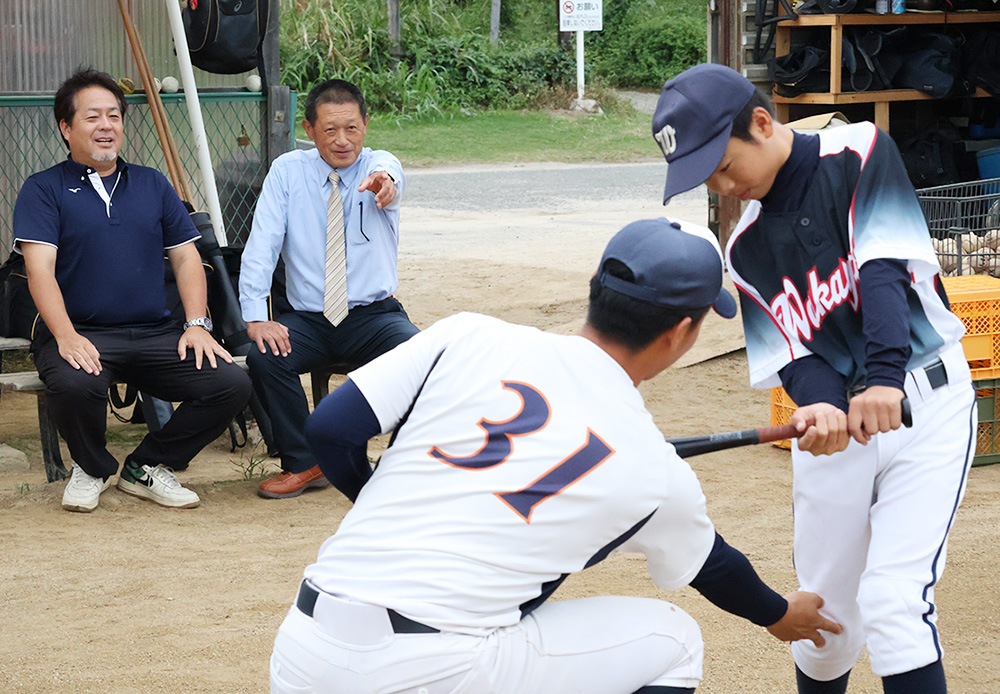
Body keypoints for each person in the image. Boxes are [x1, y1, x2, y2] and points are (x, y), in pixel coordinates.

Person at [269, 217, 842, 694]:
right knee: (674, 640)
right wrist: (778, 615)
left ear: (596, 281)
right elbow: (716, 568)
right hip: (430, 673)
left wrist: (382, 499)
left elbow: (329, 429)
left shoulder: (468, 335)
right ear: (681, 334)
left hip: (300, 652)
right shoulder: (651, 470)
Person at [652, 63, 977, 694]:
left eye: (722, 165)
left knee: (893, 603)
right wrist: (824, 406)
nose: (723, 186)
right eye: (706, 179)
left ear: (762, 122)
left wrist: (882, 379)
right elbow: (793, 357)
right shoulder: (743, 248)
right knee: (824, 620)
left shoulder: (857, 151)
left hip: (926, 403)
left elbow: (881, 271)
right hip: (842, 432)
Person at [12, 68, 252, 513]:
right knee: (72, 382)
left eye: (114, 116)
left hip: (155, 332)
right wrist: (65, 335)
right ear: (66, 128)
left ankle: (149, 465)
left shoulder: (152, 184)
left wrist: (197, 324)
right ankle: (93, 467)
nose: (107, 126)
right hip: (81, 330)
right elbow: (39, 271)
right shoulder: (43, 189)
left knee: (232, 384)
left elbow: (185, 257)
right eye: (92, 117)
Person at [239, 78, 419, 500]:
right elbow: (261, 245)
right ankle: (306, 463)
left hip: (375, 317)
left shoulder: (380, 166)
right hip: (309, 320)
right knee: (264, 356)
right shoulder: (287, 171)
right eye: (330, 130)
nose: (342, 141)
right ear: (309, 129)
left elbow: (390, 175)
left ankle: (405, 464)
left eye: (352, 128)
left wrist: (385, 183)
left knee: (418, 358)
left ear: (365, 125)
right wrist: (255, 317)